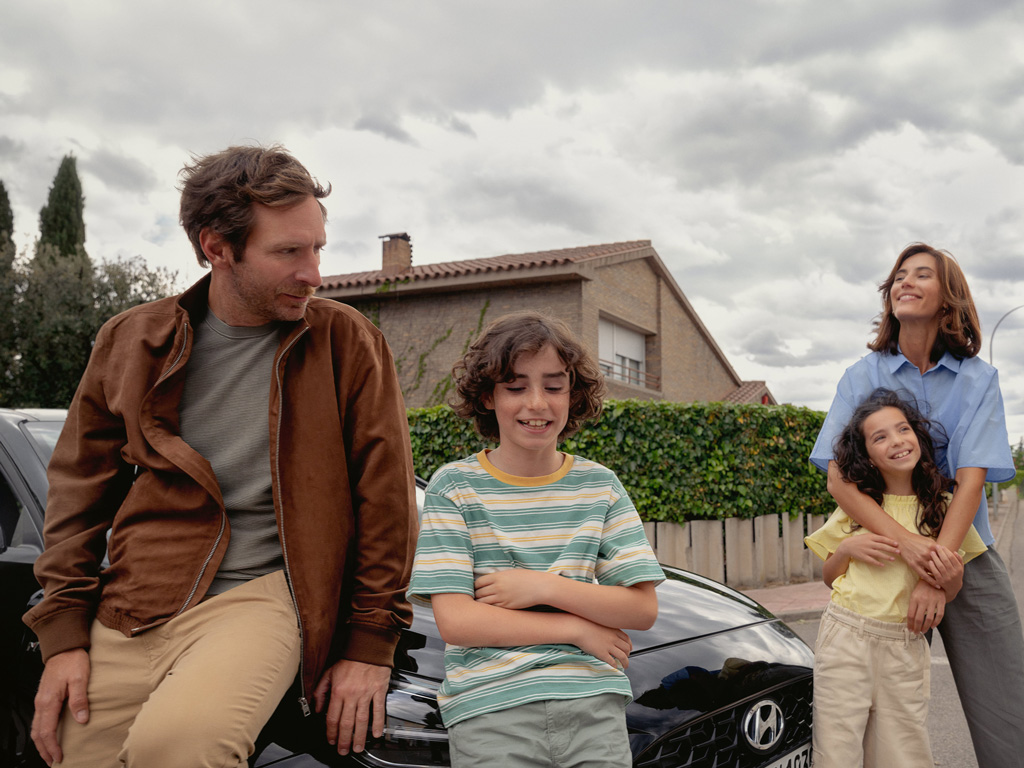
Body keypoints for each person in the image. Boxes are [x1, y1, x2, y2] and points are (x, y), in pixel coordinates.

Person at [23, 144, 418, 767]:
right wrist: (64, 634)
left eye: (317, 248)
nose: (314, 274)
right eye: (289, 252)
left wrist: (370, 645)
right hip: (136, 601)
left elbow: (388, 501)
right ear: (217, 248)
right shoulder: (131, 341)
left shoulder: (347, 342)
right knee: (73, 753)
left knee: (180, 748)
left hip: (263, 597)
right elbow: (78, 491)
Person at [408, 311, 663, 767]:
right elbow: (458, 622)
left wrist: (543, 587)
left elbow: (641, 609)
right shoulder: (454, 487)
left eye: (554, 386)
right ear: (487, 396)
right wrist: (575, 628)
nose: (537, 403)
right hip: (490, 710)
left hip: (592, 706)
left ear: (573, 394)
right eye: (515, 387)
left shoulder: (600, 486)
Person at [810, 243, 1022, 767]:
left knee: (1008, 709)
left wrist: (936, 571)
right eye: (899, 275)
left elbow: (970, 482)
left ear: (948, 297)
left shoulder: (979, 380)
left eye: (921, 274)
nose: (904, 282)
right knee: (882, 724)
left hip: (964, 552)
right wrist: (909, 548)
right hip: (885, 551)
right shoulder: (861, 375)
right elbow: (839, 479)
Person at [806, 388, 987, 767]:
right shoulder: (859, 507)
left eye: (902, 429)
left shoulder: (943, 509)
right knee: (836, 751)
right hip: (846, 637)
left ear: (917, 436)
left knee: (903, 753)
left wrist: (950, 579)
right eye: (880, 437)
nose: (896, 441)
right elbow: (829, 577)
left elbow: (951, 590)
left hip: (904, 645)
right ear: (867, 455)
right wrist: (847, 549)